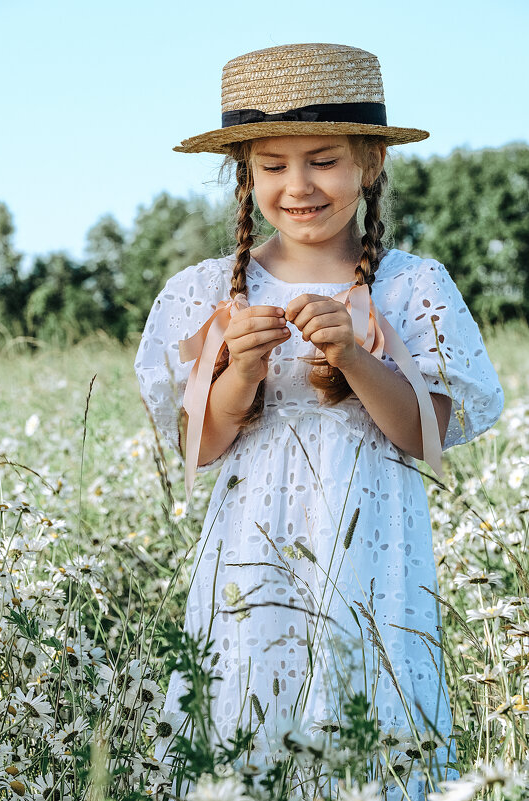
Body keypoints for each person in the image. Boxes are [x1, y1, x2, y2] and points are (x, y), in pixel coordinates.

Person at [135, 43, 504, 800]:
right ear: (245, 173)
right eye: (271, 165)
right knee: (248, 715)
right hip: (249, 550)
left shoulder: (413, 285)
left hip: (374, 547)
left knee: (368, 716)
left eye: (323, 160)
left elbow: (420, 435)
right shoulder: (208, 291)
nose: (297, 185)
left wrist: (356, 359)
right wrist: (237, 369)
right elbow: (197, 446)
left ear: (369, 161)